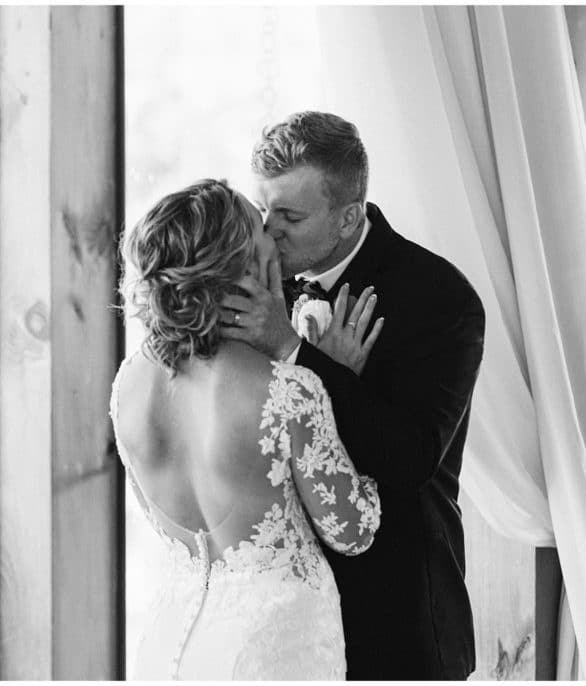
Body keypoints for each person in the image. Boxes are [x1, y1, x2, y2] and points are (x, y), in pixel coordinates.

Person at [220, 111, 485, 680]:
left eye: (290, 215)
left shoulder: (439, 299)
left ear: (348, 216)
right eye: (263, 209)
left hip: (396, 621)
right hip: (282, 621)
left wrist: (295, 351)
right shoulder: (260, 279)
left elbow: (411, 459)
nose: (268, 231)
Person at [111, 179, 383, 679]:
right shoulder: (288, 391)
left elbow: (160, 516)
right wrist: (338, 381)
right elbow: (353, 530)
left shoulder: (130, 381)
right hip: (270, 649)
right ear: (242, 263)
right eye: (260, 228)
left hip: (172, 641)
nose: (274, 238)